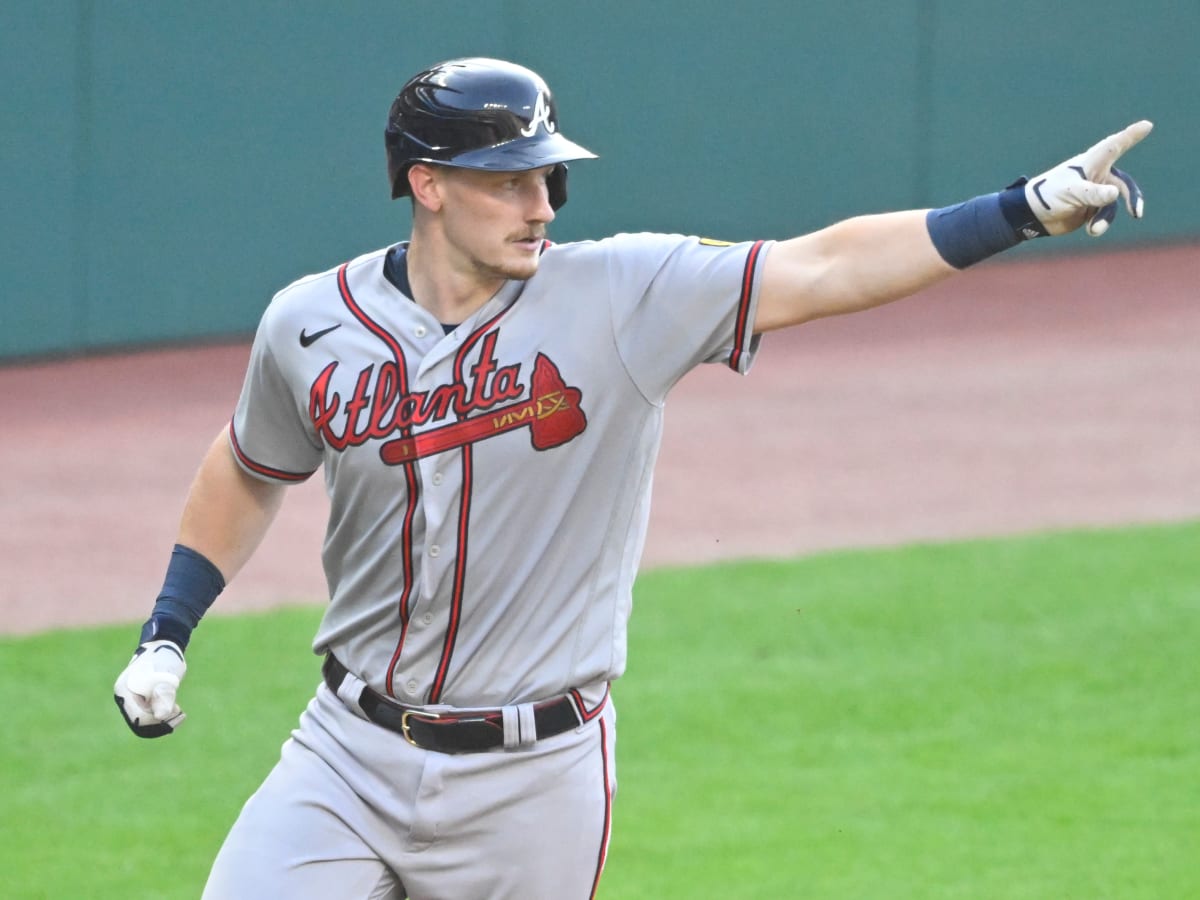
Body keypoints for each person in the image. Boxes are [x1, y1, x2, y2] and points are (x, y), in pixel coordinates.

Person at [112, 56, 1152, 899]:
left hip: (534, 778)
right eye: (509, 179)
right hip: (345, 752)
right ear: (427, 184)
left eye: (548, 176)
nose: (540, 202)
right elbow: (251, 466)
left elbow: (823, 267)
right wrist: (169, 630)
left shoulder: (625, 293)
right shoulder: (310, 322)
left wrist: (1020, 208)